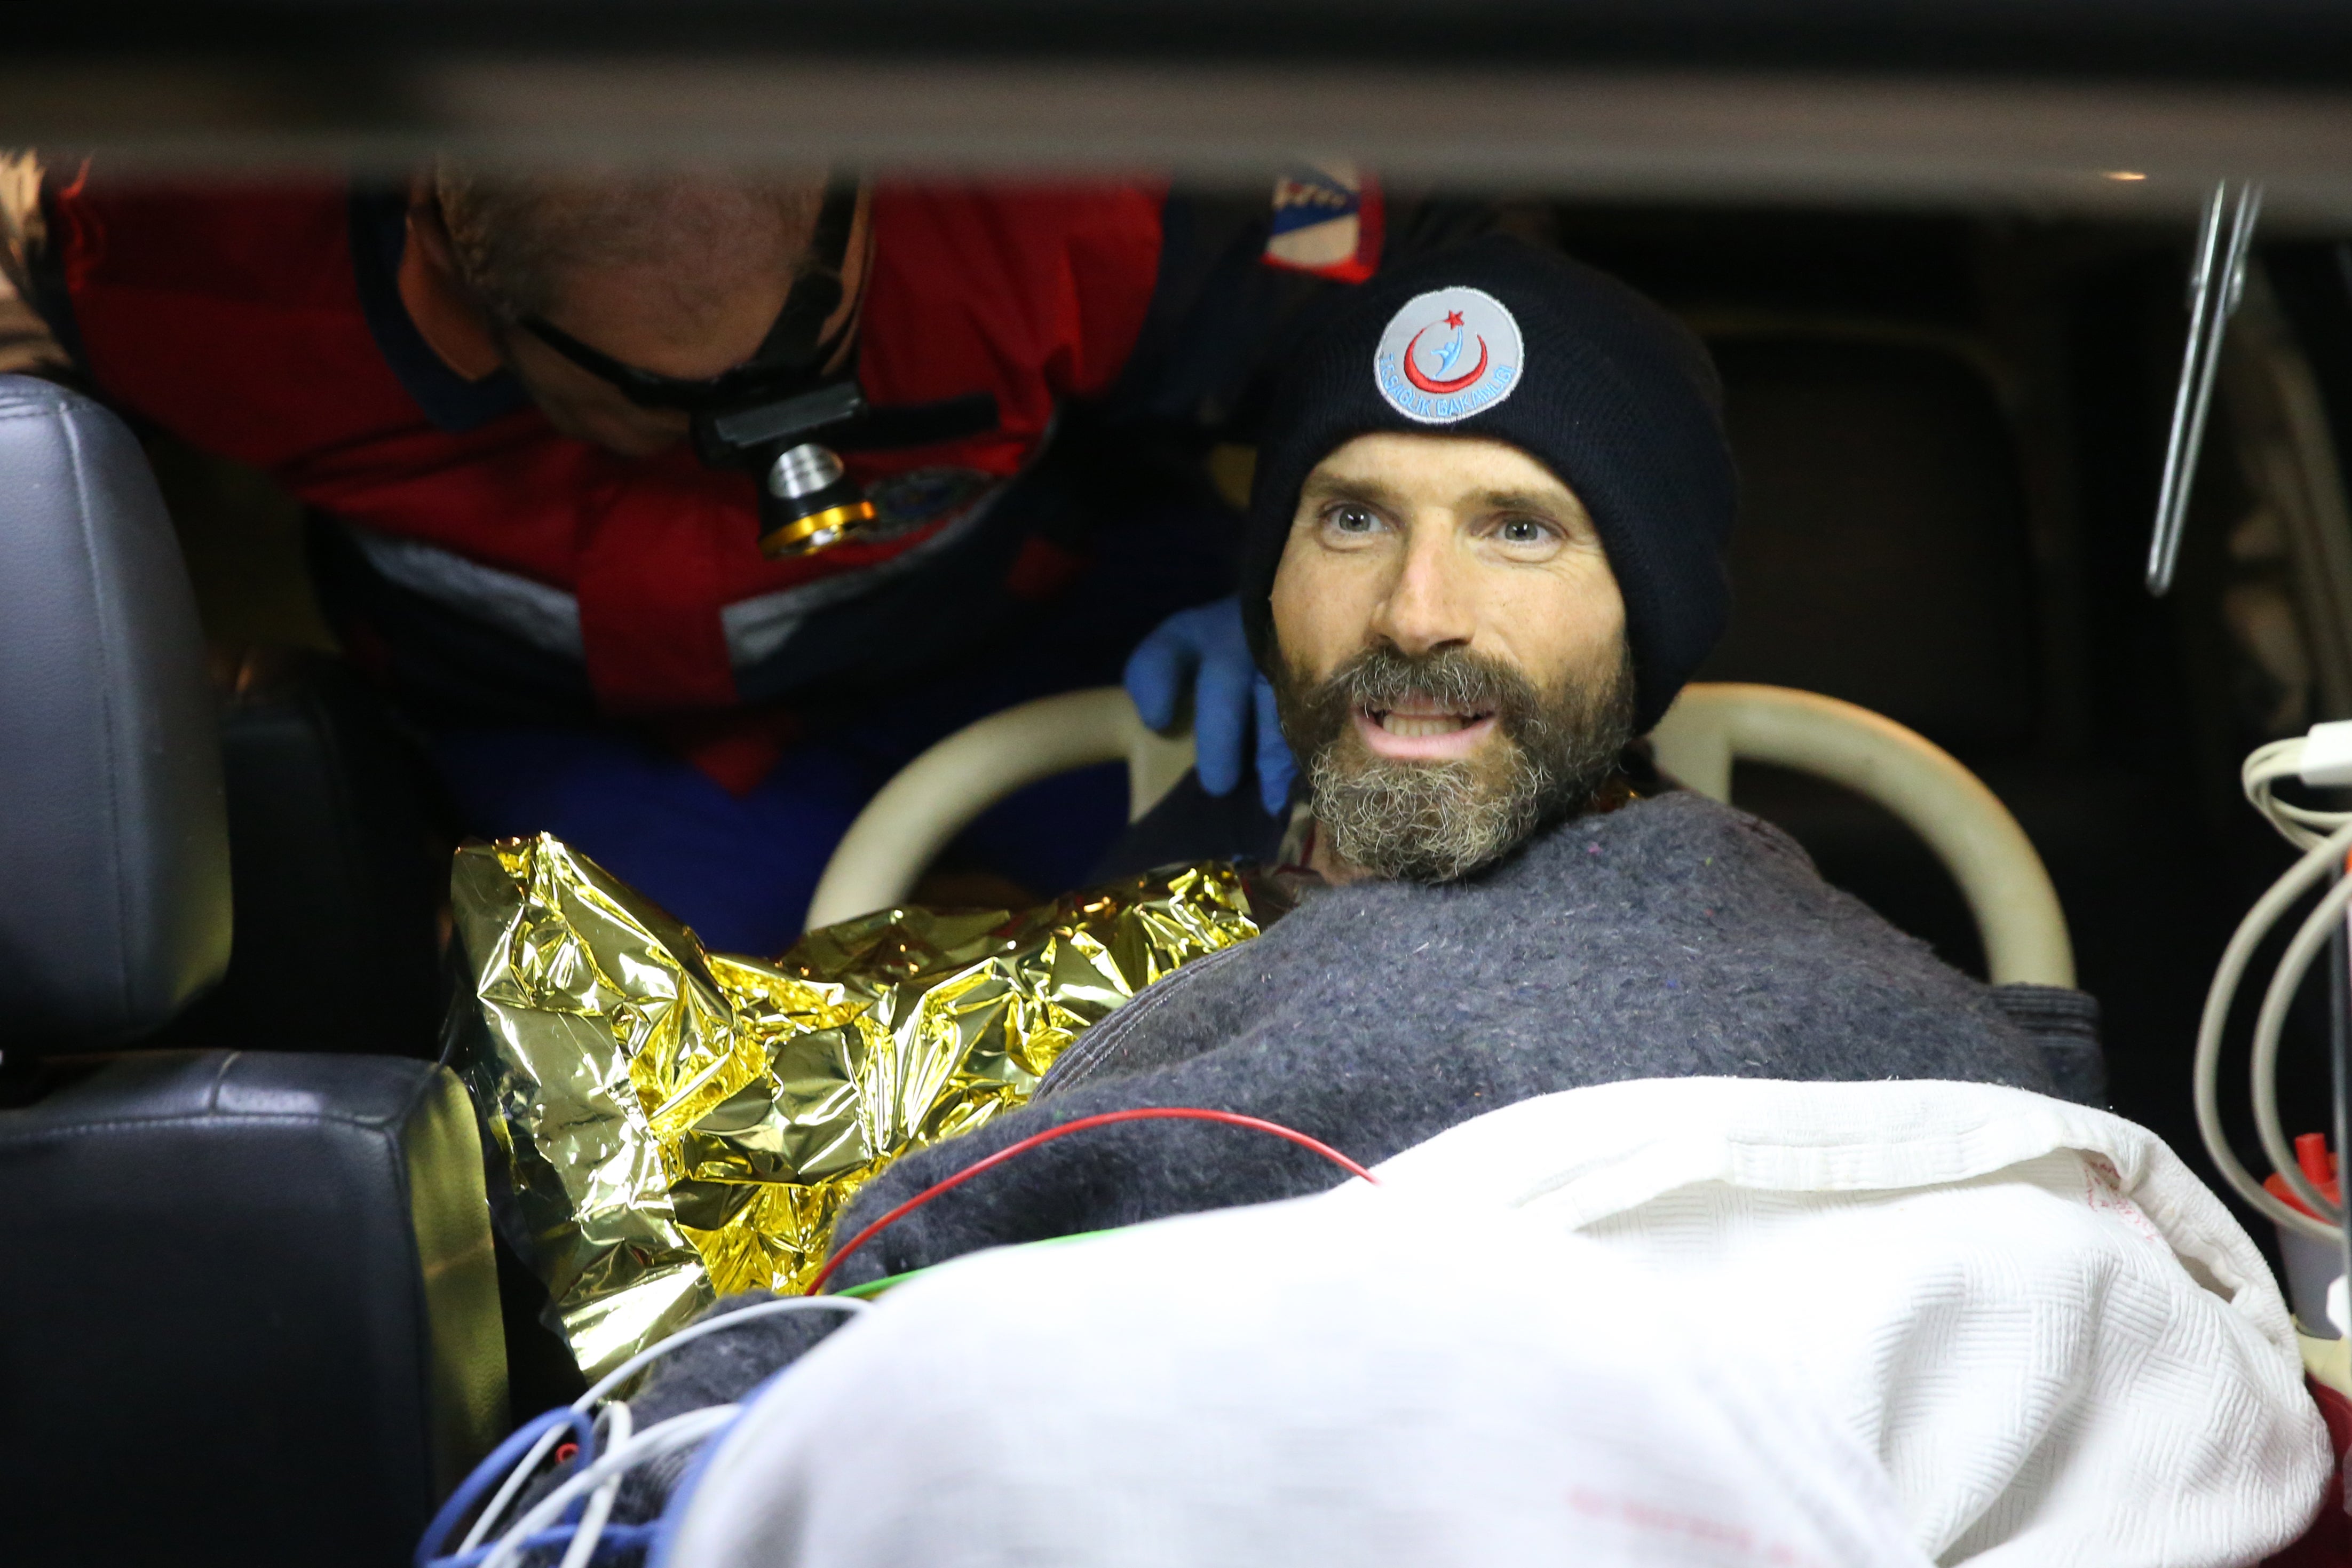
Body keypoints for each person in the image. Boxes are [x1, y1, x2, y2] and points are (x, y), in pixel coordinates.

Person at [583, 238, 2329, 1566]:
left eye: (1519, 529)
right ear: (1267, 584)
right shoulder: (1083, 958)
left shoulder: (1814, 984)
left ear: (1650, 623)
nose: (1418, 608)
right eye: (1351, 515)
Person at [1, 156, 1482, 952]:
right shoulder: (177, 240)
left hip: (1047, 624)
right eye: (695, 405)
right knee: (638, 1124)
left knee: (1374, 936)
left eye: (820, 347)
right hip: (565, 725)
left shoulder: (1067, 172)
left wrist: (1327, 554)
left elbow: (1448, 301)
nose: (781, 438)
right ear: (458, 279)